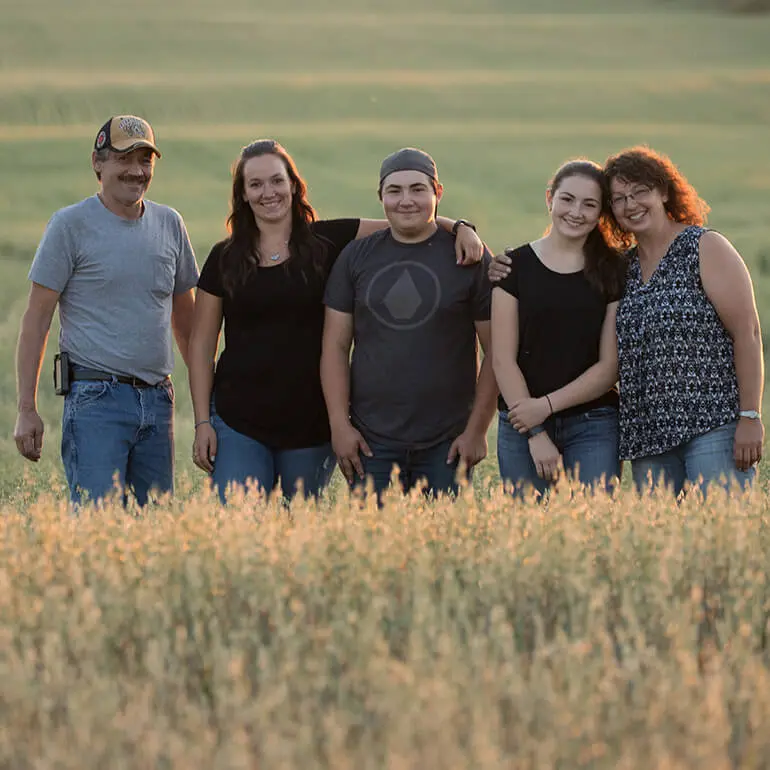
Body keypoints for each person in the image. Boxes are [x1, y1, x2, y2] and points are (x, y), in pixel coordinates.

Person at [189, 139, 483, 503]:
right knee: (237, 519)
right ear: (243, 194)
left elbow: (408, 218)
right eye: (256, 184)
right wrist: (203, 421)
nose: (269, 193)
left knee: (297, 528)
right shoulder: (224, 257)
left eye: (277, 181)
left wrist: (461, 227)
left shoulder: (329, 240)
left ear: (294, 186)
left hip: (311, 425)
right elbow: (201, 345)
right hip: (239, 419)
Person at [13, 115, 198, 506]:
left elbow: (188, 325)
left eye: (145, 160)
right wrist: (26, 409)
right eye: (123, 159)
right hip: (96, 401)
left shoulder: (170, 224)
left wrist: (205, 411)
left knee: (155, 531)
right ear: (97, 163)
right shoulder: (70, 226)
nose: (136, 171)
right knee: (99, 527)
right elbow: (36, 320)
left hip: (158, 400)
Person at [320, 147, 497, 500]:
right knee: (373, 548)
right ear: (380, 196)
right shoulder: (355, 257)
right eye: (394, 191)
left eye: (418, 189)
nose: (406, 201)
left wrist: (477, 429)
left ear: (438, 193)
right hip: (370, 442)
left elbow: (496, 350)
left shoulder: (469, 257)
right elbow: (335, 347)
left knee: (441, 548)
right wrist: (340, 427)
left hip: (448, 442)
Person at [604, 145, 763, 495]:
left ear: (663, 192)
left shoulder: (704, 247)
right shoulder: (622, 269)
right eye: (619, 198)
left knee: (721, 538)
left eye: (640, 192)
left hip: (713, 426)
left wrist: (750, 417)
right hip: (648, 438)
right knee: (665, 547)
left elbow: (747, 334)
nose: (631, 205)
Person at [491, 159, 626, 497]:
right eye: (567, 199)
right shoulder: (513, 267)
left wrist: (546, 405)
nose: (576, 212)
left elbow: (608, 368)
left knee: (593, 531)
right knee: (526, 537)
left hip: (594, 424)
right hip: (522, 424)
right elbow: (502, 360)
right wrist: (535, 430)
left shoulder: (613, 271)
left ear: (600, 214)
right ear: (550, 198)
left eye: (589, 204)